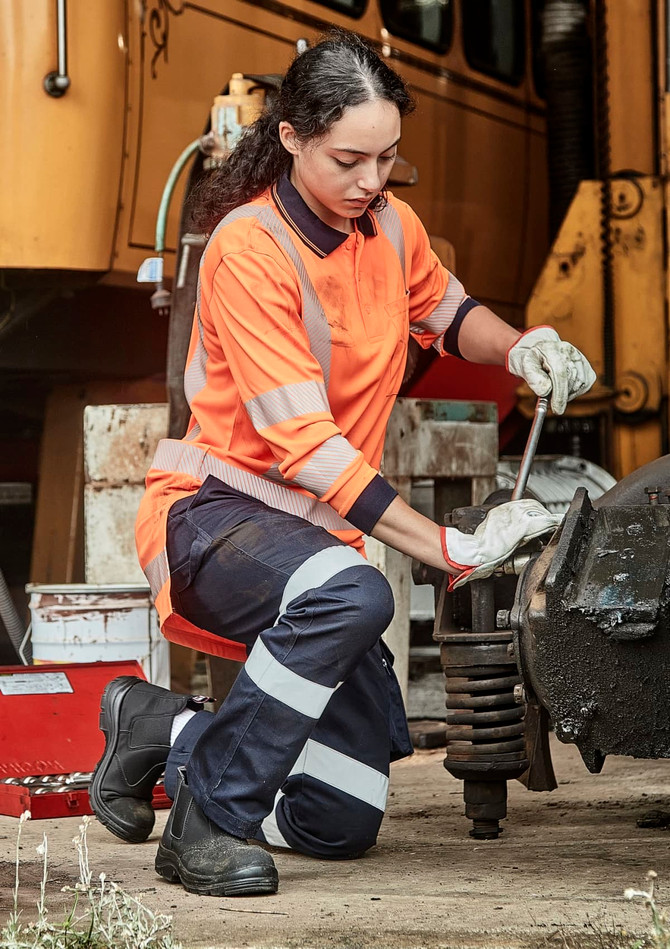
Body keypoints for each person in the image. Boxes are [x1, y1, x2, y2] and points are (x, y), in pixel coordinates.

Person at [89, 30, 595, 897]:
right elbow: (308, 451)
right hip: (212, 515)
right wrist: (446, 546)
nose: (371, 181)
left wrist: (523, 349)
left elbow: (447, 307)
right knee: (356, 591)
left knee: (340, 817)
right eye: (349, 159)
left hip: (315, 541)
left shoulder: (390, 226)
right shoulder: (247, 251)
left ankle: (160, 730)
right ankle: (205, 822)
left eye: (388, 158)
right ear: (290, 137)